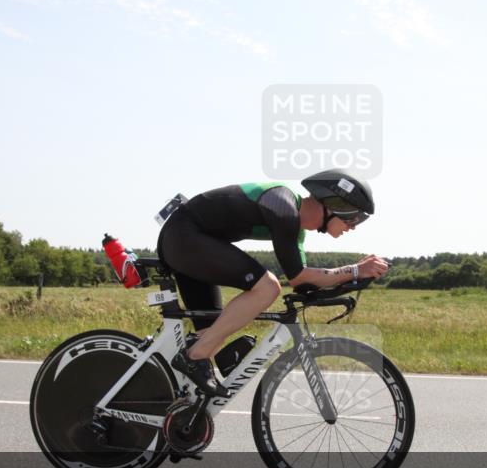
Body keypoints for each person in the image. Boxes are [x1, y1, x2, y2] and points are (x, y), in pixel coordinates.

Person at [156, 169, 389, 396]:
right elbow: (298, 276)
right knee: (267, 287)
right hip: (184, 237)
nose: (354, 226)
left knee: (211, 337)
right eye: (354, 217)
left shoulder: (296, 228)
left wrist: (354, 277)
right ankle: (192, 358)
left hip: (190, 242)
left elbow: (304, 282)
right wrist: (355, 269)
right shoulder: (283, 205)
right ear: (335, 204)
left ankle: (174, 408)